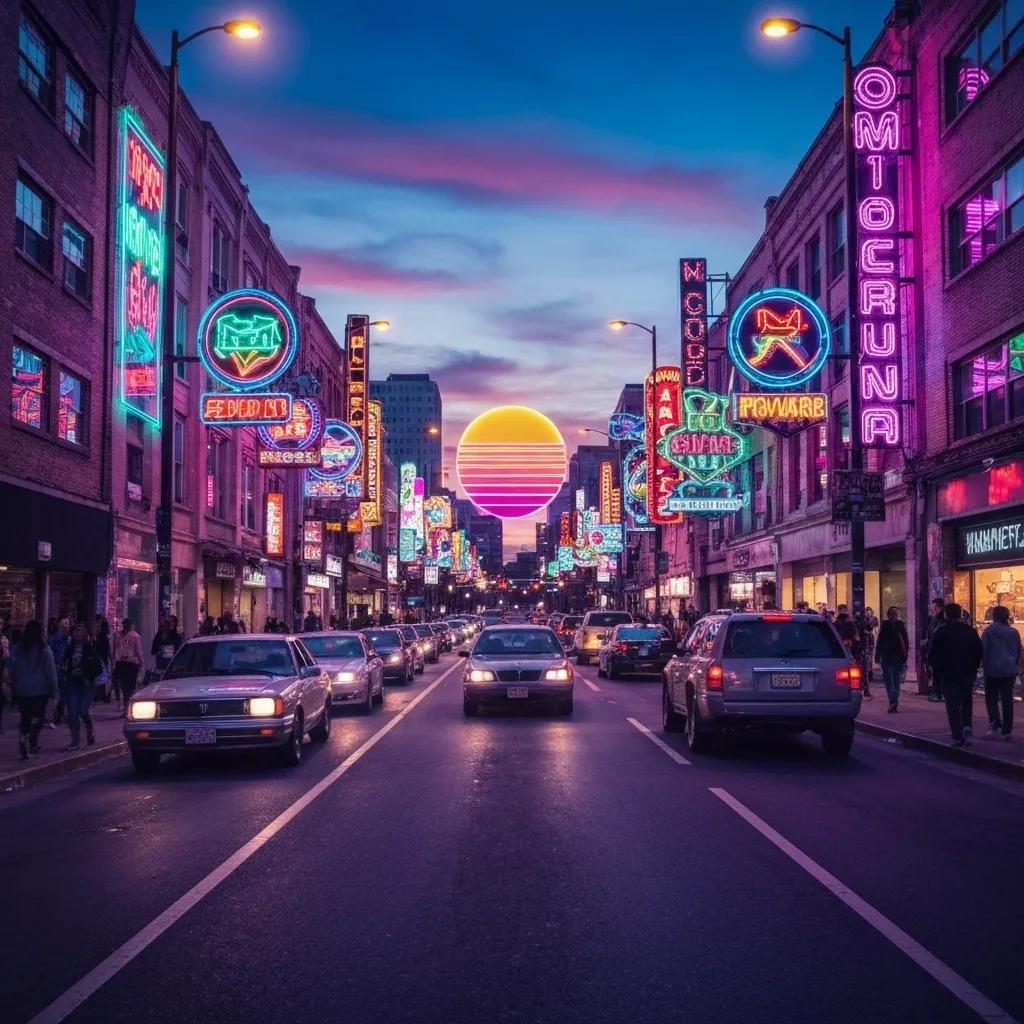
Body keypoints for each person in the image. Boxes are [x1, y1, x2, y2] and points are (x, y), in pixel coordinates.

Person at [928, 602, 983, 748]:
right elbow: (978, 650)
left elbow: (933, 653)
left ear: (946, 615)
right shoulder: (969, 631)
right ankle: (967, 727)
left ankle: (958, 735)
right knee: (966, 702)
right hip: (967, 672)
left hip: (949, 673)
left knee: (952, 704)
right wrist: (975, 666)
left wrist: (936, 669)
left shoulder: (941, 632)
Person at [10, 620, 58, 759]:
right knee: (38, 717)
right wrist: (55, 692)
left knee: (25, 716)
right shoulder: (44, 649)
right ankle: (31, 738)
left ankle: (25, 737)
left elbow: (13, 668)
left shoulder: (18, 648)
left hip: (22, 689)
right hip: (39, 689)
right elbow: (51, 672)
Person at [981, 606, 1023, 740]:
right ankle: (1007, 730)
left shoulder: (988, 631)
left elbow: (984, 650)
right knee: (1007, 699)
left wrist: (983, 664)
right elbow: (1018, 650)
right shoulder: (1013, 632)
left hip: (992, 668)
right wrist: (1015, 663)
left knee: (991, 697)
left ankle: (994, 721)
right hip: (1009, 669)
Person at [60, 623, 102, 750]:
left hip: (86, 684)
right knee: (72, 712)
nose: (77, 633)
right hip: (72, 683)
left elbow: (97, 668)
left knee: (83, 711)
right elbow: (64, 664)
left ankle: (89, 729)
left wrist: (86, 673)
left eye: (80, 631)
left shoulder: (90, 648)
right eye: (76, 631)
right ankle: (75, 739)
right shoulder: (70, 649)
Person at [875, 606, 909, 713]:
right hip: (896, 657)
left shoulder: (886, 625)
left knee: (889, 680)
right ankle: (894, 700)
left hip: (888, 656)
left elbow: (880, 641)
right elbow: (906, 642)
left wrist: (877, 655)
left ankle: (892, 700)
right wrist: (905, 656)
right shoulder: (900, 626)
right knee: (895, 679)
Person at [835, 606, 869, 699]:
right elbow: (857, 638)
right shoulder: (851, 624)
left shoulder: (835, 624)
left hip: (839, 653)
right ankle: (862, 690)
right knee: (857, 669)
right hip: (853, 651)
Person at [112, 618, 143, 714]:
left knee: (124, 686)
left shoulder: (118, 636)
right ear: (131, 625)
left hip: (121, 662)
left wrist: (114, 663)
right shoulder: (135, 636)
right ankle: (128, 708)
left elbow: (115, 649)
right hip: (132, 663)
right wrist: (142, 662)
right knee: (131, 686)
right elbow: (138, 650)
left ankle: (126, 707)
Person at [48, 618, 71, 725]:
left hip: (65, 669)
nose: (66, 626)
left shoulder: (69, 639)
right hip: (56, 668)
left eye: (67, 624)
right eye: (64, 624)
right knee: (57, 692)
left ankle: (60, 714)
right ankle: (56, 714)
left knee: (63, 692)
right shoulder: (54, 639)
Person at [923, 597, 946, 702]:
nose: (931, 609)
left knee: (938, 674)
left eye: (933, 607)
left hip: (939, 651)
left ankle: (939, 694)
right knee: (936, 673)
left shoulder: (941, 619)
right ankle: (938, 693)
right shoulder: (935, 618)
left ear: (937, 607)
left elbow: (936, 634)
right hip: (935, 650)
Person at [94, 617, 112, 702]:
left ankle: (100, 696)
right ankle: (102, 695)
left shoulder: (101, 636)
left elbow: (101, 648)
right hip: (103, 658)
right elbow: (108, 650)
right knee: (103, 677)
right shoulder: (105, 636)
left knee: (100, 677)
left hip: (100, 658)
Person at [861, 607, 879, 682]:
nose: (868, 613)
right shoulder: (864, 619)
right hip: (865, 640)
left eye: (869, 612)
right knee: (866, 656)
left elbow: (876, 628)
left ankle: (869, 672)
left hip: (871, 639)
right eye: (867, 612)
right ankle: (867, 672)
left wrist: (874, 632)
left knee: (870, 656)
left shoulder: (874, 619)